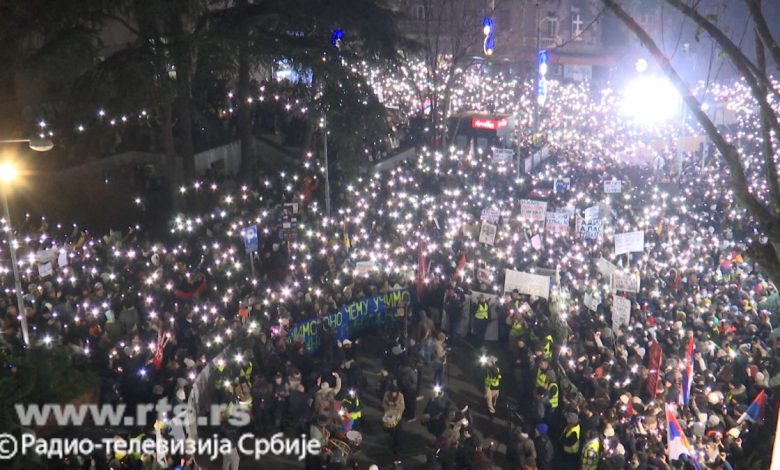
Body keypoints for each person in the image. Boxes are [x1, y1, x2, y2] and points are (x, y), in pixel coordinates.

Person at [382, 385, 406, 453]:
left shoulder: (400, 396)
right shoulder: (386, 394)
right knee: (391, 432)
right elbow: (383, 404)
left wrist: (395, 404)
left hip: (397, 416)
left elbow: (402, 407)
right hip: (389, 415)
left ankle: (399, 446)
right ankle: (393, 444)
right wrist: (388, 407)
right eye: (392, 393)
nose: (393, 394)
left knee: (398, 433)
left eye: (394, 393)